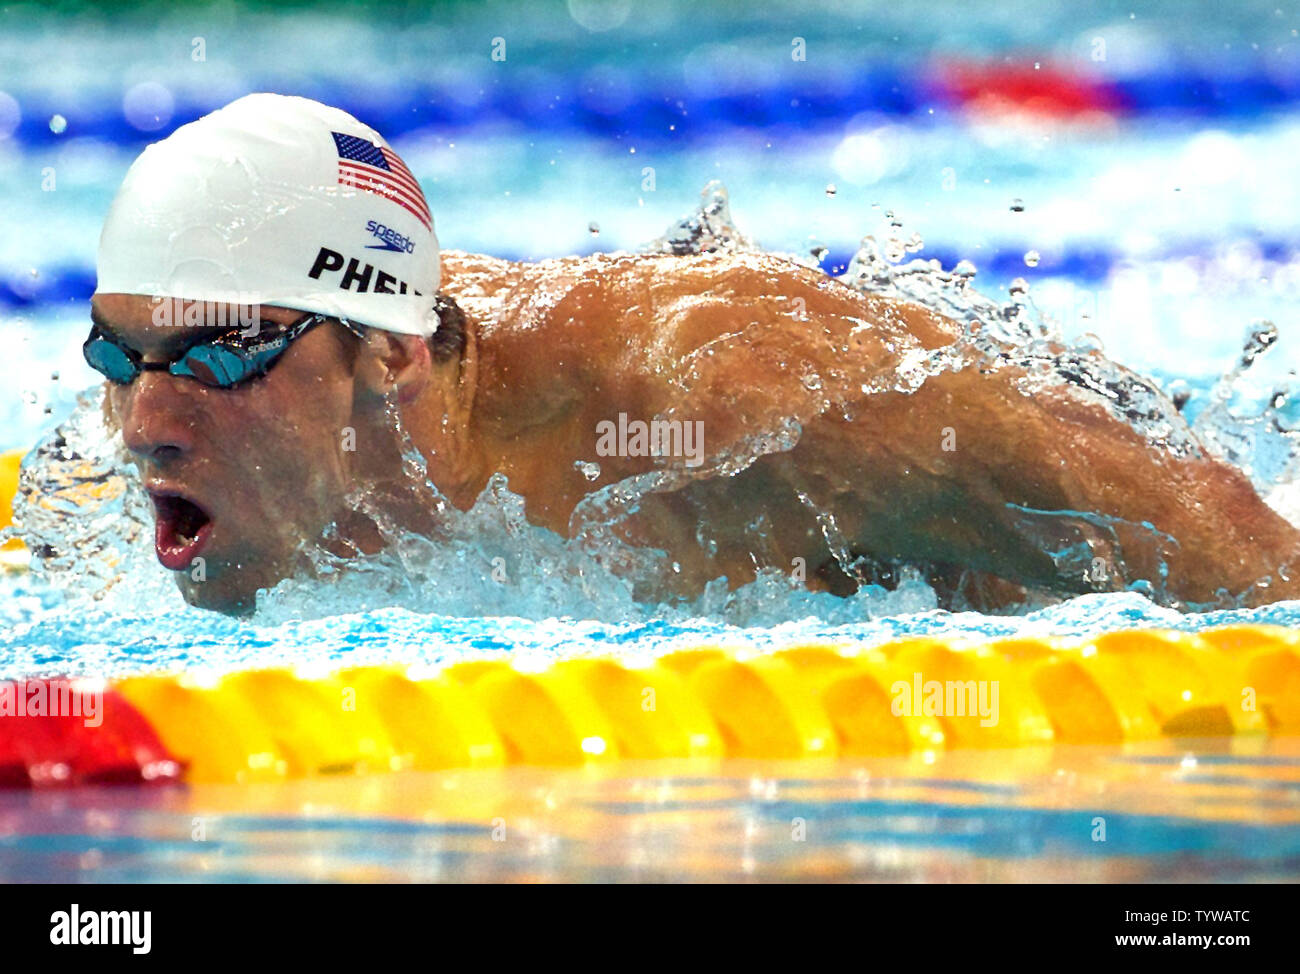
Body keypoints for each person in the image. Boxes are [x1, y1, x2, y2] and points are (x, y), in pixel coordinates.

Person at [86, 94, 1300, 615]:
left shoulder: (746, 407)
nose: (144, 423)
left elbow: (1229, 540)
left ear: (390, 352)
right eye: (121, 353)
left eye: (218, 355)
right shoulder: (187, 456)